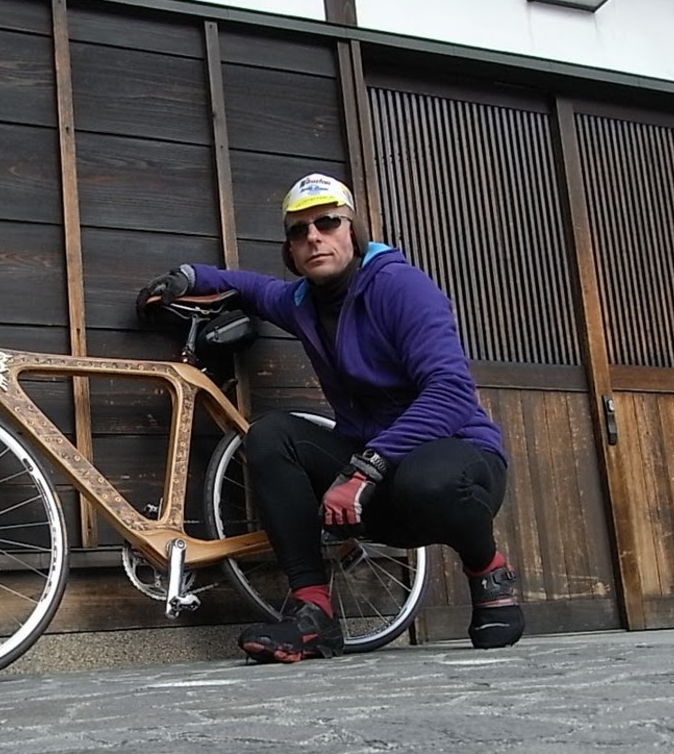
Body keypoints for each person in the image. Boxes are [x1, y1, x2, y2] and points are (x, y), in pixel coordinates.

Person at [137, 172, 525, 663]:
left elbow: (449, 394)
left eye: (327, 222)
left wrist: (367, 467)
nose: (313, 237)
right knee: (272, 435)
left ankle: (487, 567)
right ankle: (313, 611)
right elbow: (252, 288)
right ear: (291, 249)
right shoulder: (301, 303)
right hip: (377, 483)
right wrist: (190, 277)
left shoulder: (402, 288)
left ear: (353, 232)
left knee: (426, 481)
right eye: (298, 231)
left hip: (457, 463)